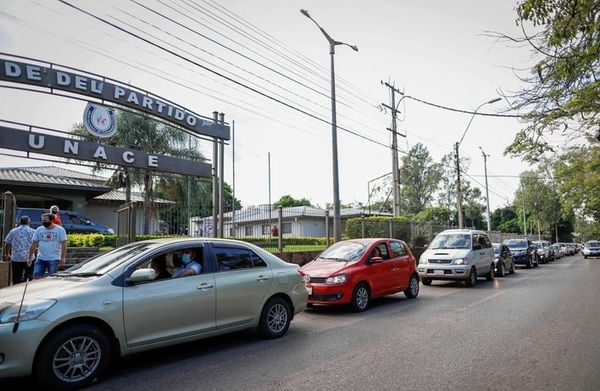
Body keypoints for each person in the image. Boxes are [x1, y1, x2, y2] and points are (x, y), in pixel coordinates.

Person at [29, 212, 68, 279]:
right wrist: (29, 257)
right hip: (41, 257)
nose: (43, 222)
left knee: (52, 277)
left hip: (54, 258)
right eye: (42, 220)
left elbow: (64, 244)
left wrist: (63, 258)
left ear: (52, 220)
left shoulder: (60, 230)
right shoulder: (39, 230)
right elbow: (34, 243)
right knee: (36, 275)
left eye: (45, 220)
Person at [3, 215, 36, 284]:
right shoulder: (33, 231)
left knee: (16, 278)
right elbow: (36, 243)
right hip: (29, 258)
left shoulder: (13, 231)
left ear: (19, 222)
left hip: (16, 257)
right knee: (28, 276)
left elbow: (7, 243)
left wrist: (7, 254)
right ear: (28, 222)